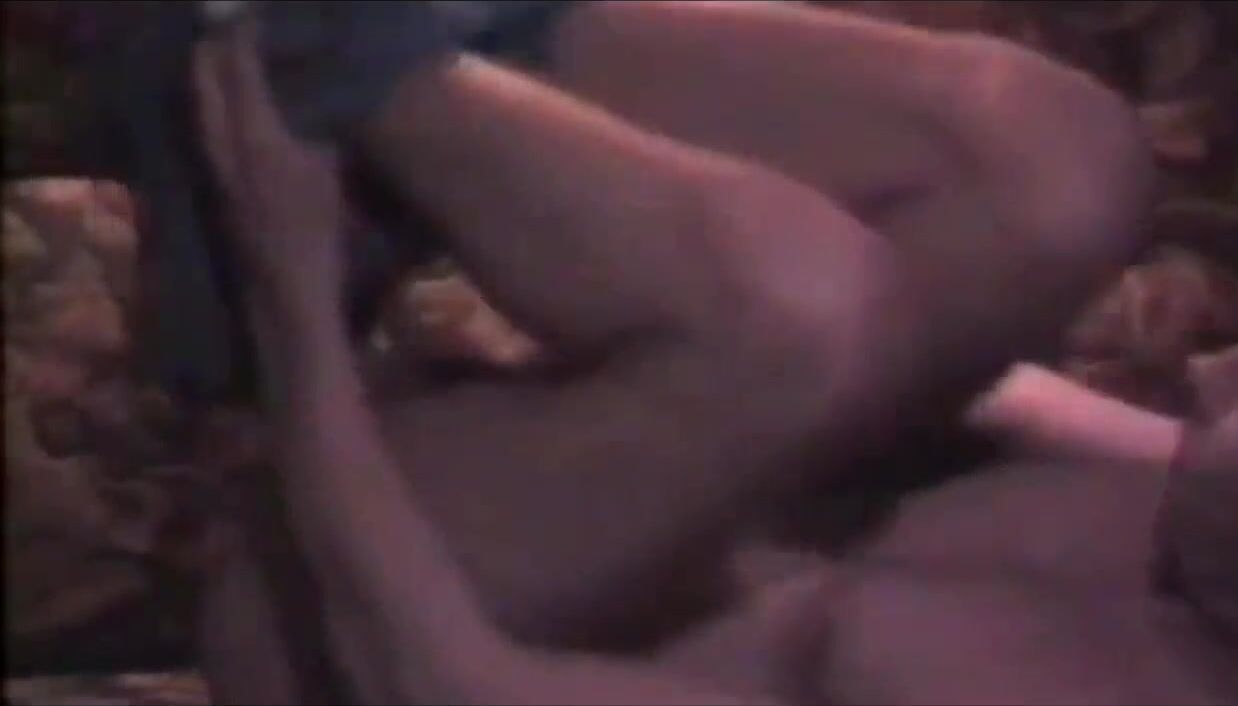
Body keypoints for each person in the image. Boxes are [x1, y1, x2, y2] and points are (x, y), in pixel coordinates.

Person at [188, 3, 1167, 703]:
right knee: (1061, 173)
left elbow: (435, 675)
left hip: (354, 617)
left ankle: (305, 61)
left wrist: (292, 301)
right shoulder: (1207, 525)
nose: (1235, 369)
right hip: (718, 531)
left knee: (801, 315)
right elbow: (1063, 410)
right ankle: (413, 50)